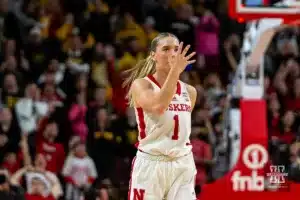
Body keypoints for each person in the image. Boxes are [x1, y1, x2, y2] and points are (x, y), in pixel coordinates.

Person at [123, 32, 197, 200]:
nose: (172, 53)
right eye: (166, 49)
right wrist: (175, 72)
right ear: (153, 55)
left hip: (182, 162)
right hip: (151, 164)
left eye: (176, 49)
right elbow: (159, 106)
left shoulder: (190, 91)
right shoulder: (141, 85)